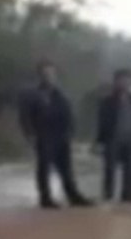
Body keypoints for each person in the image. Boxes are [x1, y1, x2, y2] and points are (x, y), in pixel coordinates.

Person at [18, 60, 93, 210]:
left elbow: (69, 114)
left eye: (51, 74)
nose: (49, 77)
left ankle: (73, 195)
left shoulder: (60, 94)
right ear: (40, 76)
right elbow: (25, 117)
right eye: (46, 74)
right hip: (43, 135)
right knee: (44, 167)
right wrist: (30, 135)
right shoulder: (32, 95)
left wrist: (70, 132)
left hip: (61, 135)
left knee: (66, 168)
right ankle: (45, 197)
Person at [96, 69, 131, 203]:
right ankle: (108, 193)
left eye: (127, 80)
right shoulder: (108, 100)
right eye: (121, 80)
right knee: (110, 168)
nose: (124, 83)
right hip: (112, 138)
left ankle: (128, 194)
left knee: (130, 168)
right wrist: (100, 140)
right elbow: (102, 120)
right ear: (116, 82)